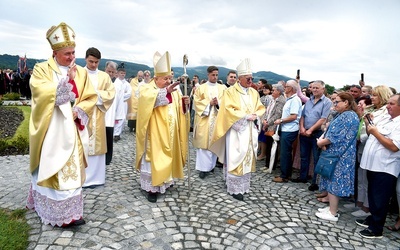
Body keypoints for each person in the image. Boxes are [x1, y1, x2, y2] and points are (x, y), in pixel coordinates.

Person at [26, 22, 97, 227]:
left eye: (73, 52)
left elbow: (90, 96)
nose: (71, 57)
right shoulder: (42, 69)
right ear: (54, 52)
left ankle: (71, 214)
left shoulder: (81, 72)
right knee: (53, 167)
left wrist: (79, 109)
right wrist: (67, 80)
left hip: (72, 129)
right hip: (52, 130)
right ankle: (52, 211)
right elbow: (40, 92)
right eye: (67, 53)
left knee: (71, 170)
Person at [135, 51, 190, 202]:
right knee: (155, 157)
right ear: (155, 78)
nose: (168, 81)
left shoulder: (174, 90)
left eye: (169, 78)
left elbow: (180, 110)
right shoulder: (147, 89)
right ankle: (152, 188)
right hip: (155, 132)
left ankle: (166, 181)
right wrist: (165, 92)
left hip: (170, 131)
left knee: (168, 156)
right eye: (165, 79)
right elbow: (146, 102)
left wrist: (185, 104)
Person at [210, 58, 265, 201]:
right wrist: (245, 116)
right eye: (248, 78)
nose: (250, 80)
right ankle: (234, 187)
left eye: (251, 78)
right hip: (237, 130)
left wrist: (255, 116)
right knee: (236, 155)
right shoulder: (230, 92)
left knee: (247, 155)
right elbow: (227, 109)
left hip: (250, 130)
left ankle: (243, 185)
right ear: (239, 78)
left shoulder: (254, 93)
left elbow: (260, 108)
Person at [356, 93, 400, 238]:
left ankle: (376, 229)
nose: (387, 106)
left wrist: (375, 132)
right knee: (373, 195)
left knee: (380, 198)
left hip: (385, 167)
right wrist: (370, 123)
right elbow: (370, 130)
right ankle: (372, 219)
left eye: (391, 104)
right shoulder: (387, 118)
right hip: (372, 164)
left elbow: (394, 146)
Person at [315, 92, 359, 222]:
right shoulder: (345, 115)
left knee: (335, 182)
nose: (334, 104)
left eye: (337, 102)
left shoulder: (348, 116)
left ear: (346, 102)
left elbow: (335, 136)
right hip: (336, 154)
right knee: (331, 180)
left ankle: (333, 212)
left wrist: (320, 142)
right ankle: (331, 208)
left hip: (340, 156)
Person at [82, 47, 115, 188]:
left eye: (96, 62)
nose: (93, 65)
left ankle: (97, 178)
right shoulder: (79, 73)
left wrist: (95, 95)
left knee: (98, 145)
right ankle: (82, 178)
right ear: (85, 59)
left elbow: (111, 93)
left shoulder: (104, 76)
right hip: (83, 115)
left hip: (98, 114)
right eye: (91, 61)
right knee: (83, 144)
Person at [293, 80, 332, 191]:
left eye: (317, 88)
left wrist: (310, 130)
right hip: (304, 132)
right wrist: (302, 127)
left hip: (317, 133)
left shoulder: (327, 102)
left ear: (323, 89)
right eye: (313, 88)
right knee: (304, 156)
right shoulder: (309, 101)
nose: (314, 90)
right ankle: (303, 177)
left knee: (316, 158)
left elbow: (323, 119)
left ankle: (315, 182)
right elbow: (303, 115)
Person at [193, 66, 226, 179]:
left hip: (216, 119)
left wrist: (218, 103)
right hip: (205, 120)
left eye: (217, 75)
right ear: (208, 75)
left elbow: (226, 102)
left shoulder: (222, 88)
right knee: (203, 145)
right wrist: (209, 103)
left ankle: (211, 166)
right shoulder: (201, 88)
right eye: (213, 75)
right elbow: (196, 102)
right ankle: (203, 169)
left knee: (214, 143)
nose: (215, 77)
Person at [272, 80, 302, 183]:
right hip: (286, 128)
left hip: (289, 129)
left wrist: (281, 120)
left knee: (285, 153)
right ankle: (286, 173)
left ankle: (284, 175)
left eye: (286, 86)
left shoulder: (295, 100)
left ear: (291, 89)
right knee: (286, 152)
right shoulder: (290, 99)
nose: (284, 88)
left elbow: (293, 116)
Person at [262, 83, 286, 170]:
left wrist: (268, 122)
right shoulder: (273, 99)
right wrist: (264, 120)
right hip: (268, 125)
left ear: (279, 91)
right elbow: (267, 111)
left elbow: (278, 114)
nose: (272, 91)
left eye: (274, 90)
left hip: (274, 127)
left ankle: (271, 166)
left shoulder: (281, 101)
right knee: (268, 145)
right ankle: (267, 164)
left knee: (273, 146)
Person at [113, 64, 132, 142]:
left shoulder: (127, 84)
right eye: (121, 73)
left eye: (124, 73)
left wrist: (121, 97)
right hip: (115, 102)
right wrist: (119, 96)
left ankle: (117, 134)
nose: (122, 75)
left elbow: (129, 93)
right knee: (115, 117)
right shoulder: (115, 83)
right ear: (118, 73)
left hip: (123, 103)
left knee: (122, 118)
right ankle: (114, 133)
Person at [104, 61, 118, 165]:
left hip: (111, 114)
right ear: (105, 69)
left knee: (109, 137)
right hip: (102, 112)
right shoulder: (101, 80)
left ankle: (108, 158)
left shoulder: (117, 84)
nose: (111, 74)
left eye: (113, 72)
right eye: (109, 71)